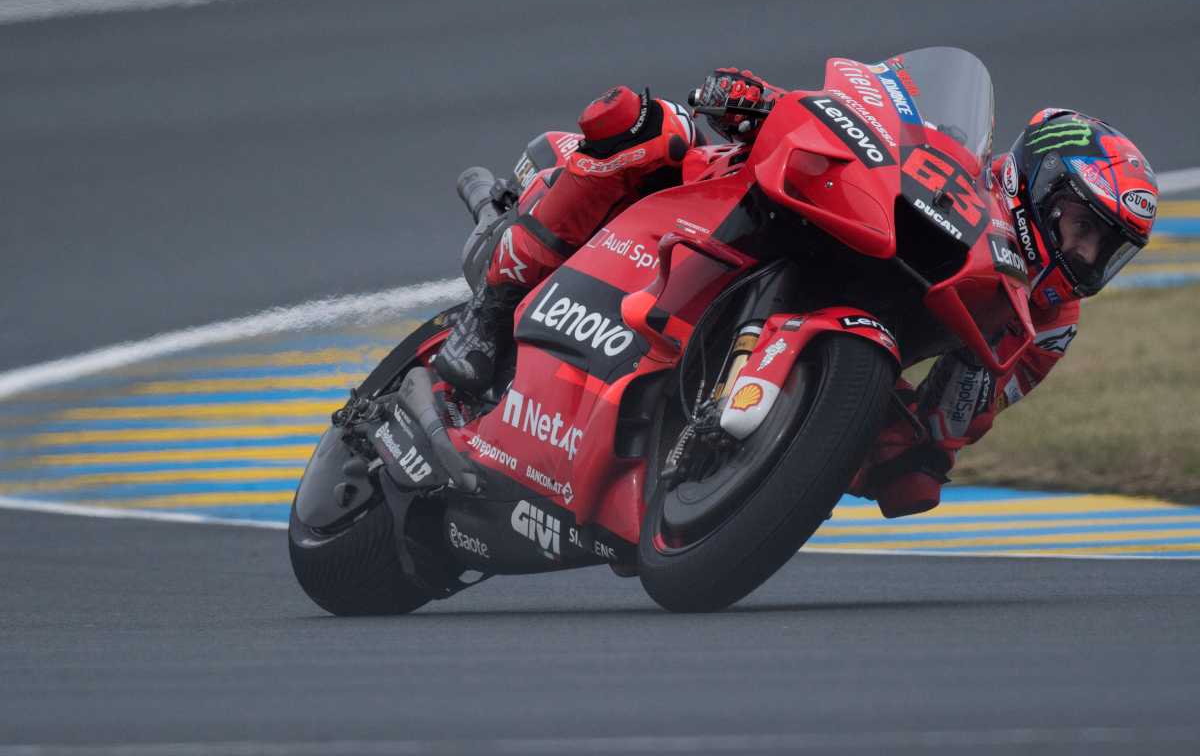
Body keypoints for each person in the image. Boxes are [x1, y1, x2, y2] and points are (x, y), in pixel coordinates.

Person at [433, 69, 1158, 518]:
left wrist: (899, 448)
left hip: (859, 327)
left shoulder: (1047, 322)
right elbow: (857, 115)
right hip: (745, 205)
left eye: (1106, 249)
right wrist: (759, 99)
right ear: (1035, 181)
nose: (1084, 254)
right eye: (1079, 225)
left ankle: (706, 451)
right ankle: (494, 306)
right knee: (641, 125)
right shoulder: (950, 157)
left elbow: (954, 420)